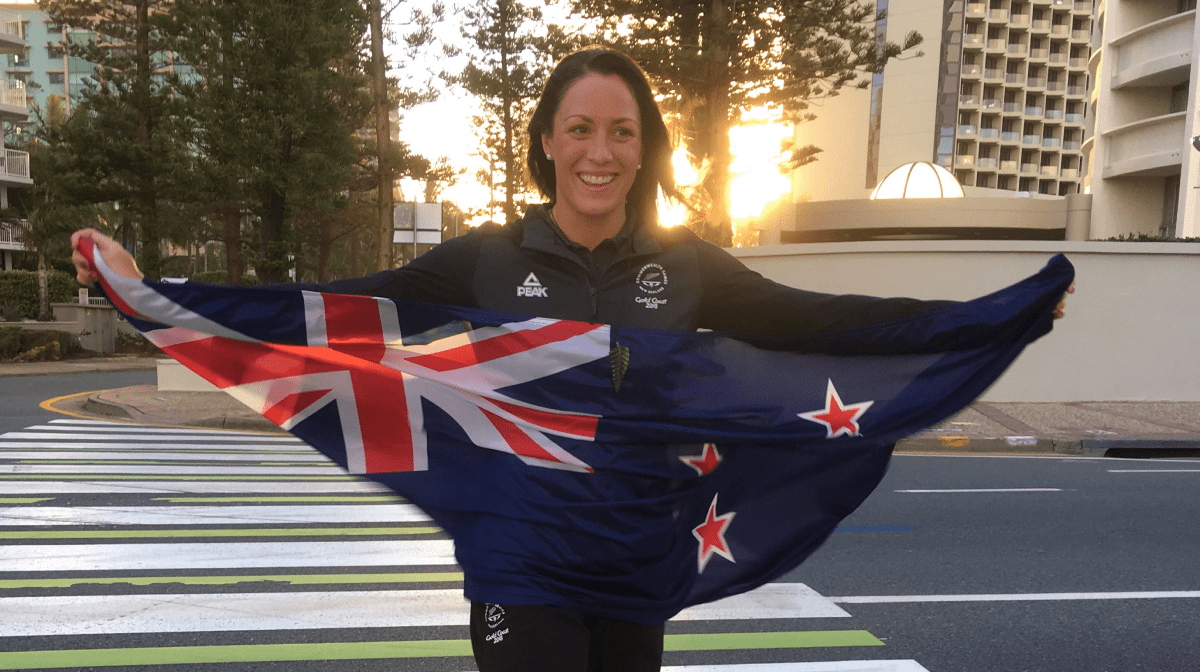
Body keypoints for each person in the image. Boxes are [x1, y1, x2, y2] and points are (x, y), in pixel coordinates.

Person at [74, 47, 1071, 672]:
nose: (601, 149)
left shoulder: (687, 269)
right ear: (548, 141)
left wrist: (1002, 316)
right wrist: (155, 294)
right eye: (581, 128)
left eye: (622, 132)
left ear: (646, 151)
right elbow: (331, 315)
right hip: (524, 562)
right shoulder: (487, 260)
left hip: (638, 557)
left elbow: (833, 323)